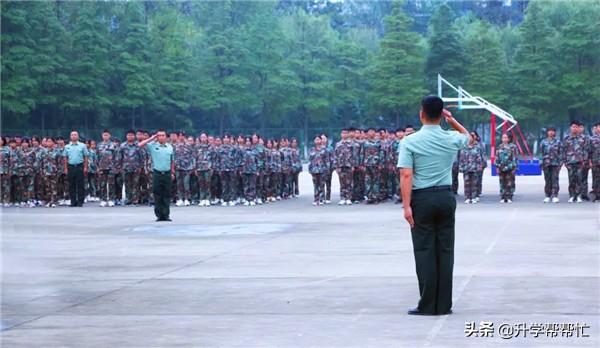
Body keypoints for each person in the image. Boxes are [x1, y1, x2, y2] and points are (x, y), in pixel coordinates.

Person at [398, 95, 470, 316]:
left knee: (425, 250)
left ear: (421, 114)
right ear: (441, 115)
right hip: (446, 197)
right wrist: (452, 120)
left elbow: (406, 174)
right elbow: (467, 136)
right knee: (445, 250)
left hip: (422, 199)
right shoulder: (451, 138)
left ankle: (427, 303)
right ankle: (444, 304)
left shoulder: (409, 141)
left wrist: (406, 206)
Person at [138, 129, 175, 221]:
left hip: (167, 173)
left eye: (163, 135)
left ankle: (166, 215)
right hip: (157, 173)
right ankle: (159, 215)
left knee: (167, 194)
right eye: (159, 135)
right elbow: (140, 145)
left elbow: (172, 161)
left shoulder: (170, 147)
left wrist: (173, 172)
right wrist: (152, 138)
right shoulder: (153, 146)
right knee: (157, 194)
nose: (161, 137)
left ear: (166, 137)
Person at [562, 121, 586, 203]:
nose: (574, 128)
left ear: (578, 128)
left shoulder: (583, 138)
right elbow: (564, 150)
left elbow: (585, 150)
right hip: (570, 161)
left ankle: (578, 195)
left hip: (580, 161)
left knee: (579, 179)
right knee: (571, 178)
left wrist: (584, 160)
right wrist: (565, 161)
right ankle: (572, 195)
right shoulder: (566, 138)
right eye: (573, 127)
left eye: (576, 127)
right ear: (570, 128)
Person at [64, 131, 89, 207]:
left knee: (80, 185)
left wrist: (85, 167)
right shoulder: (67, 146)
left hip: (80, 166)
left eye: (75, 135)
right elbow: (65, 158)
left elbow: (86, 156)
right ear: (70, 137)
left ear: (78, 136)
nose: (73, 136)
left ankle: (80, 201)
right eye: (72, 135)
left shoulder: (82, 146)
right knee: (71, 185)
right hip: (71, 167)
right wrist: (65, 168)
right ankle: (73, 201)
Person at [539, 127, 562, 203]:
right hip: (546, 163)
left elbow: (560, 153)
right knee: (547, 179)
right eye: (549, 131)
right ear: (547, 132)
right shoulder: (543, 142)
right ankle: (547, 195)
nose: (551, 132)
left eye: (552, 131)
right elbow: (540, 153)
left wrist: (560, 163)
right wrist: (540, 162)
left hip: (555, 163)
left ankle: (555, 195)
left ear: (554, 132)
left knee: (555, 179)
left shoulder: (558, 142)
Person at [459, 136, 484, 204]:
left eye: (471, 138)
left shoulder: (476, 148)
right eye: (468, 138)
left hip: (474, 169)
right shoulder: (464, 149)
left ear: (473, 139)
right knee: (466, 184)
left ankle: (473, 197)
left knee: (474, 184)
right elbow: (461, 159)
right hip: (466, 169)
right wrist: (461, 168)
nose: (470, 140)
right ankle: (467, 197)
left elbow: (479, 159)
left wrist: (479, 167)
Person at [120, 130, 143, 206]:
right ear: (126, 136)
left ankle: (135, 200)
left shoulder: (137, 145)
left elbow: (141, 157)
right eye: (129, 135)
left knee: (135, 184)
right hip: (125, 168)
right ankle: (128, 199)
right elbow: (120, 157)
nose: (130, 137)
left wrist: (141, 166)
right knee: (127, 184)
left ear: (134, 136)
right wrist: (120, 167)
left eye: (132, 135)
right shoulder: (122, 146)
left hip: (136, 168)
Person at [495, 133, 519, 203]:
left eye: (506, 138)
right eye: (503, 138)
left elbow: (515, 157)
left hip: (510, 167)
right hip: (501, 167)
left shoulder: (513, 147)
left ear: (509, 139)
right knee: (502, 182)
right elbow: (497, 157)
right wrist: (497, 166)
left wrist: (515, 167)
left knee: (510, 182)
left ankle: (509, 197)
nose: (504, 139)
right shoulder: (499, 147)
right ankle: (503, 196)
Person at [334, 129, 354, 205]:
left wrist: (353, 165)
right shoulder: (338, 144)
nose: (344, 135)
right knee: (342, 182)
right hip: (340, 165)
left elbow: (354, 155)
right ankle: (342, 198)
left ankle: (348, 198)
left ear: (348, 134)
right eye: (343, 133)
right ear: (341, 134)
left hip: (349, 165)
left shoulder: (351, 144)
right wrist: (336, 166)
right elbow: (335, 155)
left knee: (349, 182)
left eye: (346, 133)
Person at [308, 135, 328, 205]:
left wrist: (327, 169)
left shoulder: (324, 150)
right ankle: (316, 199)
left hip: (322, 169)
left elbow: (327, 160)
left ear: (321, 141)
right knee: (315, 185)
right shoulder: (311, 149)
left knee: (321, 185)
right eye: (316, 140)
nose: (317, 141)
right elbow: (310, 160)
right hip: (314, 170)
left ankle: (322, 199)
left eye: (318, 140)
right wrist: (310, 169)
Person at [590, 123, 600, 202]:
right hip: (595, 162)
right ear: (596, 128)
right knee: (596, 179)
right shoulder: (592, 139)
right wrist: (590, 161)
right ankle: (597, 196)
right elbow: (589, 151)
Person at [0, 136, 10, 207]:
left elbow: (11, 160)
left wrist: (10, 169)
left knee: (6, 186)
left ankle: (6, 200)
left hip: (5, 170)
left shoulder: (7, 149)